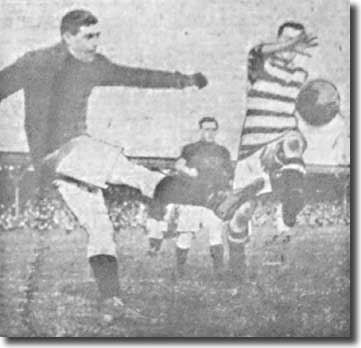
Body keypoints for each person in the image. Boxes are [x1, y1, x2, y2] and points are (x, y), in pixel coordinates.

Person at [0, 9, 208, 322]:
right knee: (131, 171)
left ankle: (111, 299)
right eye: (88, 36)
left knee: (101, 229)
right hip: (59, 153)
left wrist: (184, 80)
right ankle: (211, 198)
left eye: (98, 35)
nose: (97, 42)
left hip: (69, 166)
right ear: (67, 36)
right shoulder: (37, 61)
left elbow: (137, 77)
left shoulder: (96, 66)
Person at [229, 21, 318, 275]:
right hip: (252, 148)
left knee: (293, 141)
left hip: (282, 138)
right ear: (277, 41)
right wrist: (294, 41)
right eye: (287, 39)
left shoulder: (301, 75)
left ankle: (290, 204)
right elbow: (257, 50)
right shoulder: (261, 63)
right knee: (243, 213)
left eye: (296, 40)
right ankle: (236, 264)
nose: (291, 45)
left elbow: (299, 114)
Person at [147, 117, 234, 278]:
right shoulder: (190, 149)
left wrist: (225, 188)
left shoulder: (223, 151)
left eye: (213, 129)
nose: (209, 132)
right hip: (191, 197)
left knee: (215, 232)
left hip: (212, 198)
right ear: (200, 130)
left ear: (217, 131)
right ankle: (180, 271)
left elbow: (229, 175)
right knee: (185, 233)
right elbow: (178, 165)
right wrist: (189, 172)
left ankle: (219, 272)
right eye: (206, 129)